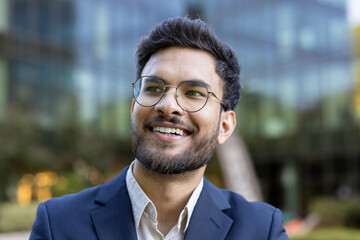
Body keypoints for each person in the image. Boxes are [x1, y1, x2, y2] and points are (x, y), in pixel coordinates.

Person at [30, 17, 289, 240]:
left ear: (225, 126)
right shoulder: (58, 224)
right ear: (134, 108)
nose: (168, 106)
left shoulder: (262, 229)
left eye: (194, 93)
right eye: (153, 88)